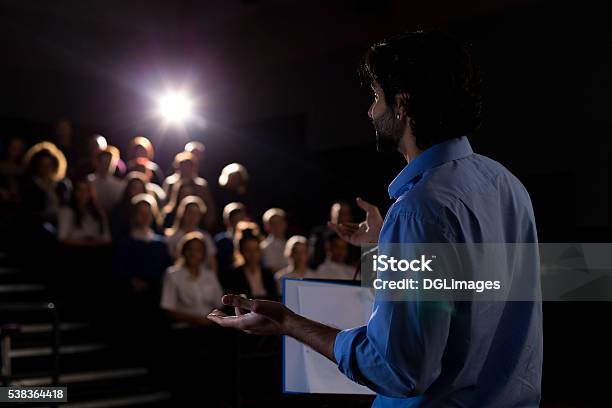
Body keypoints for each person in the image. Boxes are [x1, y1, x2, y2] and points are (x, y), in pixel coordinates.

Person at [208, 30, 542, 407]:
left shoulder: (420, 209)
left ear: (402, 105)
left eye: (375, 96)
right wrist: (388, 246)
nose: (370, 111)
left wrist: (287, 323)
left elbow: (399, 369)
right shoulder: (506, 184)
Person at [161, 231, 223, 326]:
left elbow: (219, 303)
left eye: (198, 250)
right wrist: (196, 319)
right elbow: (168, 309)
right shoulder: (172, 274)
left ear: (203, 254)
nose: (193, 253)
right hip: (184, 327)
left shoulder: (209, 275)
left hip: (209, 326)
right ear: (183, 251)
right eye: (190, 249)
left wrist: (210, 318)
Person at [220, 226, 277, 300]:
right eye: (248, 250)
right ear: (241, 251)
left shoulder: (268, 274)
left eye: (256, 250)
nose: (252, 254)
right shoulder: (232, 275)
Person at [162, 152, 217, 228]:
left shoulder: (201, 185)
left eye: (188, 166)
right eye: (183, 166)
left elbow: (209, 208)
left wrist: (206, 225)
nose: (186, 169)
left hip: (199, 224)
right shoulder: (171, 183)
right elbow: (166, 205)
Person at [165, 195, 217, 272]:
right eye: (190, 213)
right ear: (182, 213)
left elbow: (212, 263)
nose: (193, 217)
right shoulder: (172, 237)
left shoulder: (205, 237)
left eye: (196, 214)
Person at [57, 178, 110, 247]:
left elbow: (107, 237)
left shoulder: (98, 212)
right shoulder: (66, 211)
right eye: (80, 190)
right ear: (74, 192)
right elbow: (62, 237)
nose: (83, 194)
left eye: (86, 190)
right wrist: (84, 243)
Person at [308, 200, 353, 268]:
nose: (343, 217)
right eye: (340, 213)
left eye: (346, 214)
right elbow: (312, 258)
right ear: (331, 214)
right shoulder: (319, 234)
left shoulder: (355, 236)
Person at [87, 146, 125, 213]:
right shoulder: (89, 181)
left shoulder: (119, 185)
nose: (106, 166)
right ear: (97, 163)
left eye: (109, 163)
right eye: (104, 162)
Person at [214, 202, 247, 275]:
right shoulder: (221, 241)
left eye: (240, 217)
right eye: (233, 217)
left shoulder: (249, 239)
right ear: (226, 220)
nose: (237, 220)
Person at [260, 208, 289, 272]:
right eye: (272, 223)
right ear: (266, 226)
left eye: (279, 222)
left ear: (285, 224)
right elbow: (271, 269)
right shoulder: (263, 247)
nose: (277, 226)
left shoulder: (290, 244)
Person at [0, 136, 26, 202]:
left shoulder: (25, 168)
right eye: (13, 147)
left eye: (19, 148)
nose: (16, 151)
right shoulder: (1, 165)